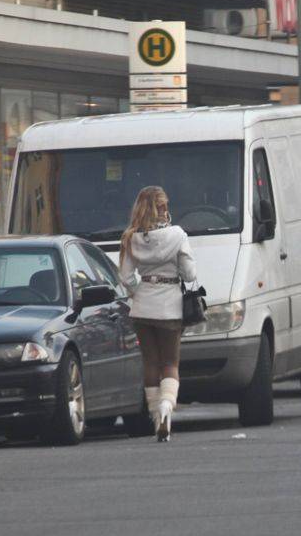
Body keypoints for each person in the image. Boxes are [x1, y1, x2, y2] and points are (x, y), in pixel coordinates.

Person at [119, 186, 197, 442]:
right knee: (170, 364)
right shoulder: (178, 235)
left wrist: (138, 292)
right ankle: (166, 408)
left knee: (150, 364)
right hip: (170, 305)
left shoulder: (131, 238)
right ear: (163, 208)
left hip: (142, 305)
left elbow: (126, 277)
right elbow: (189, 274)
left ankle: (155, 419)